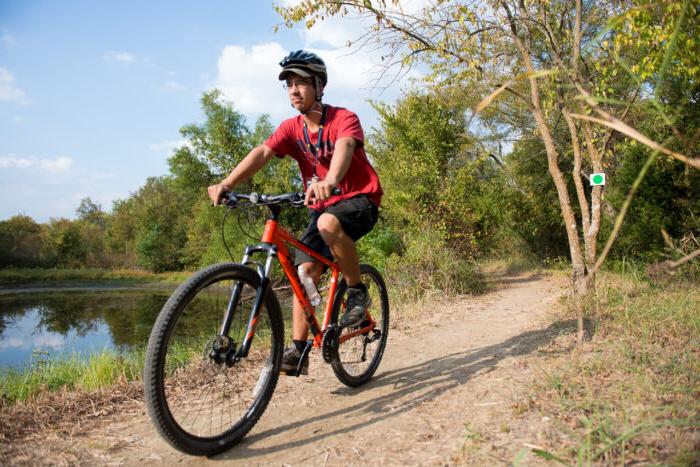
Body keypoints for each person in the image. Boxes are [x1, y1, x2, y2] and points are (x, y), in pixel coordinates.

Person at [207, 50, 382, 375]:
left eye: (301, 83)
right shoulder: (291, 128)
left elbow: (344, 147)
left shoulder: (343, 118)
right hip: (324, 206)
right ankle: (298, 349)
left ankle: (357, 293)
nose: (294, 90)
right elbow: (263, 151)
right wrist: (227, 183)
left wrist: (330, 181)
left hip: (360, 200)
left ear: (319, 85)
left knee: (329, 223)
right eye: (289, 84)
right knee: (304, 272)